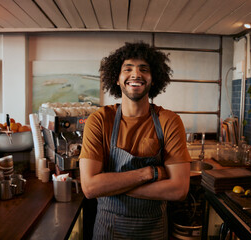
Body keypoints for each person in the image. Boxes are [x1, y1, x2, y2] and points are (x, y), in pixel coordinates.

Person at [79, 42, 191, 239]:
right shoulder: (100, 120)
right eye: (128, 68)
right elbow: (90, 188)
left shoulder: (169, 121)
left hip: (154, 230)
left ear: (153, 79)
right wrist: (149, 173)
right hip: (108, 229)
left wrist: (114, 185)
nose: (136, 74)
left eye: (144, 69)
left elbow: (179, 190)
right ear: (117, 78)